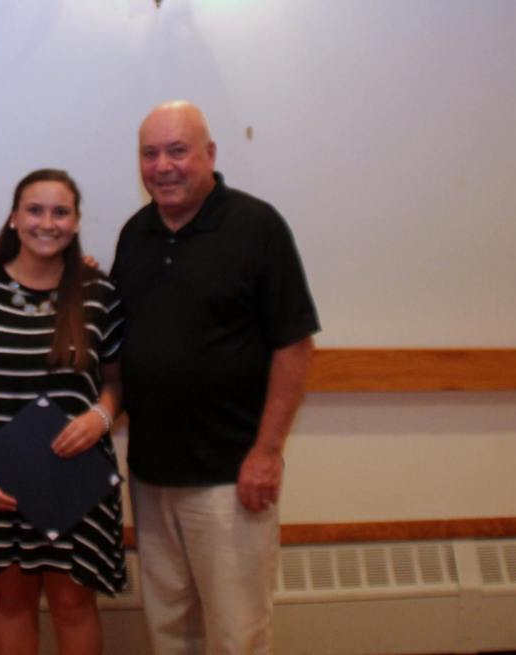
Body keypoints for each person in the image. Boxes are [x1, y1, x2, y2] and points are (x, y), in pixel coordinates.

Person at [111, 101, 319, 655]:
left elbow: (295, 347)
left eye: (177, 151)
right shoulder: (135, 234)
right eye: (150, 154)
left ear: (210, 154)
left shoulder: (257, 226)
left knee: (237, 634)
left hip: (231, 477)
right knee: (168, 633)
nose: (163, 166)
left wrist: (267, 453)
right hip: (151, 476)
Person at [0, 169, 126, 655]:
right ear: (14, 218)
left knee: (73, 606)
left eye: (60, 212)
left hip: (77, 475)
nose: (47, 223)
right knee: (12, 605)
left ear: (75, 222)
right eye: (35, 210)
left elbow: (116, 384)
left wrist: (100, 418)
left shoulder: (99, 292)